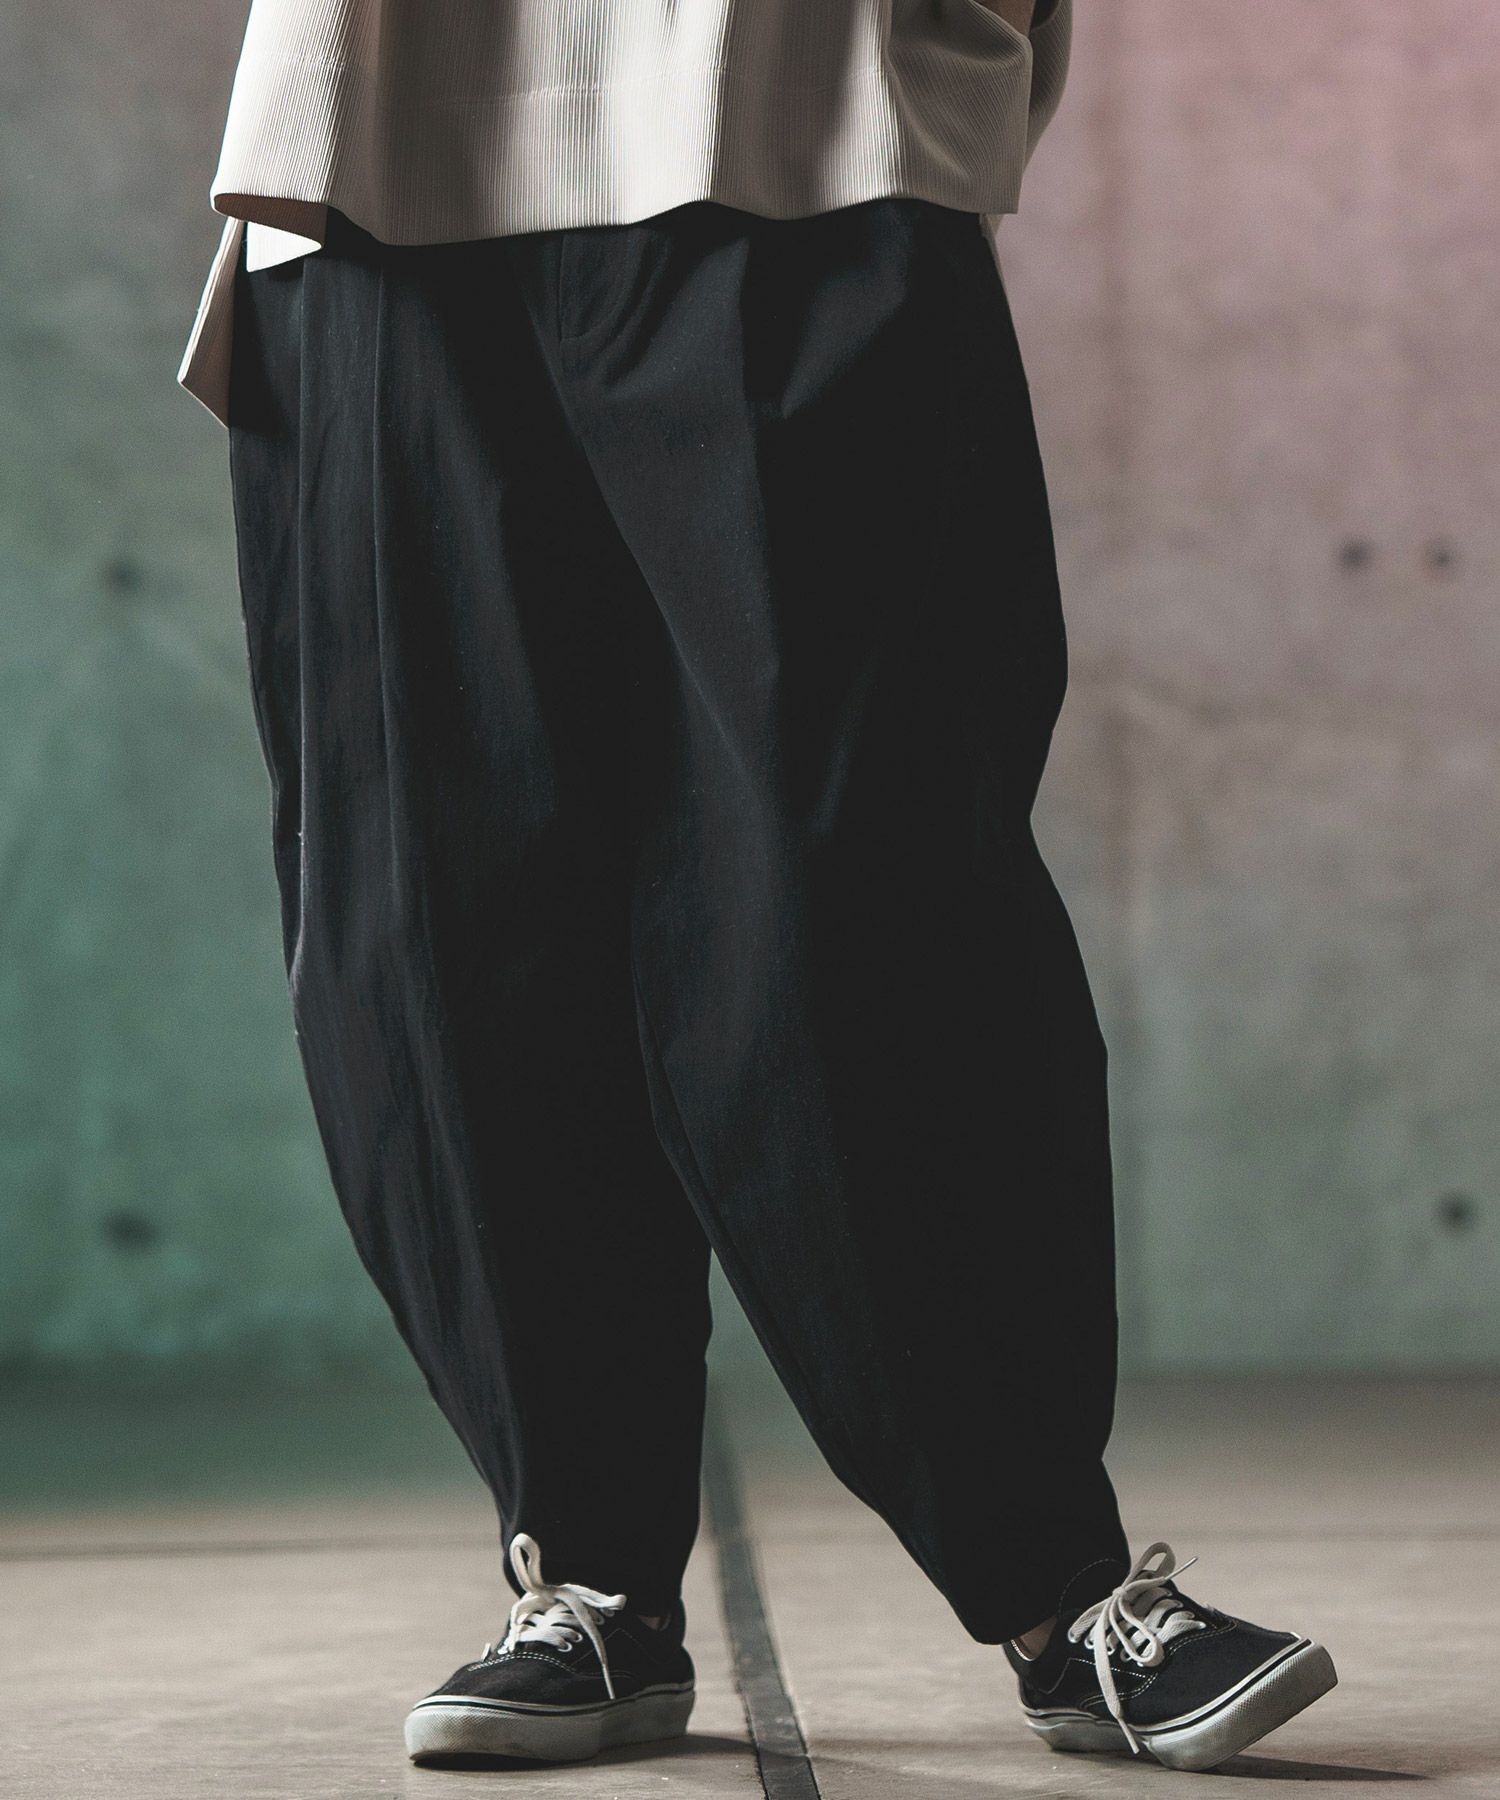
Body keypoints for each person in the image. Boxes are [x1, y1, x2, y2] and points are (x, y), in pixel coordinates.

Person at [180, 0, 1337, 1774]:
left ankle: (1058, 1583)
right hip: (373, 157)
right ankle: (585, 1573)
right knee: (440, 915)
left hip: (781, 108)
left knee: (867, 888)